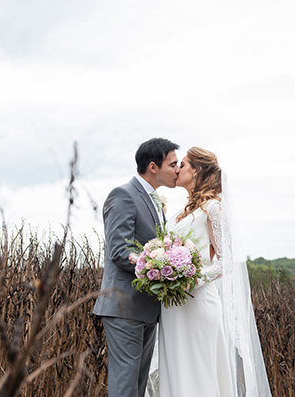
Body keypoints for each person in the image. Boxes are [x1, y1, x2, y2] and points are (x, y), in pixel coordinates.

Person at [158, 147, 271, 396]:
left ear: (197, 170)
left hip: (197, 302)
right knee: (176, 373)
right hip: (173, 307)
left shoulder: (213, 208)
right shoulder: (181, 212)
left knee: (198, 376)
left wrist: (190, 281)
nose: (177, 169)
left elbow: (225, 261)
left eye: (183, 164)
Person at [93, 137, 180, 397]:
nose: (178, 169)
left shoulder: (154, 199)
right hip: (124, 307)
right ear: (153, 166)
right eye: (173, 164)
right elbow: (120, 250)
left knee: (138, 386)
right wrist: (161, 265)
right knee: (124, 385)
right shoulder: (123, 195)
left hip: (147, 307)